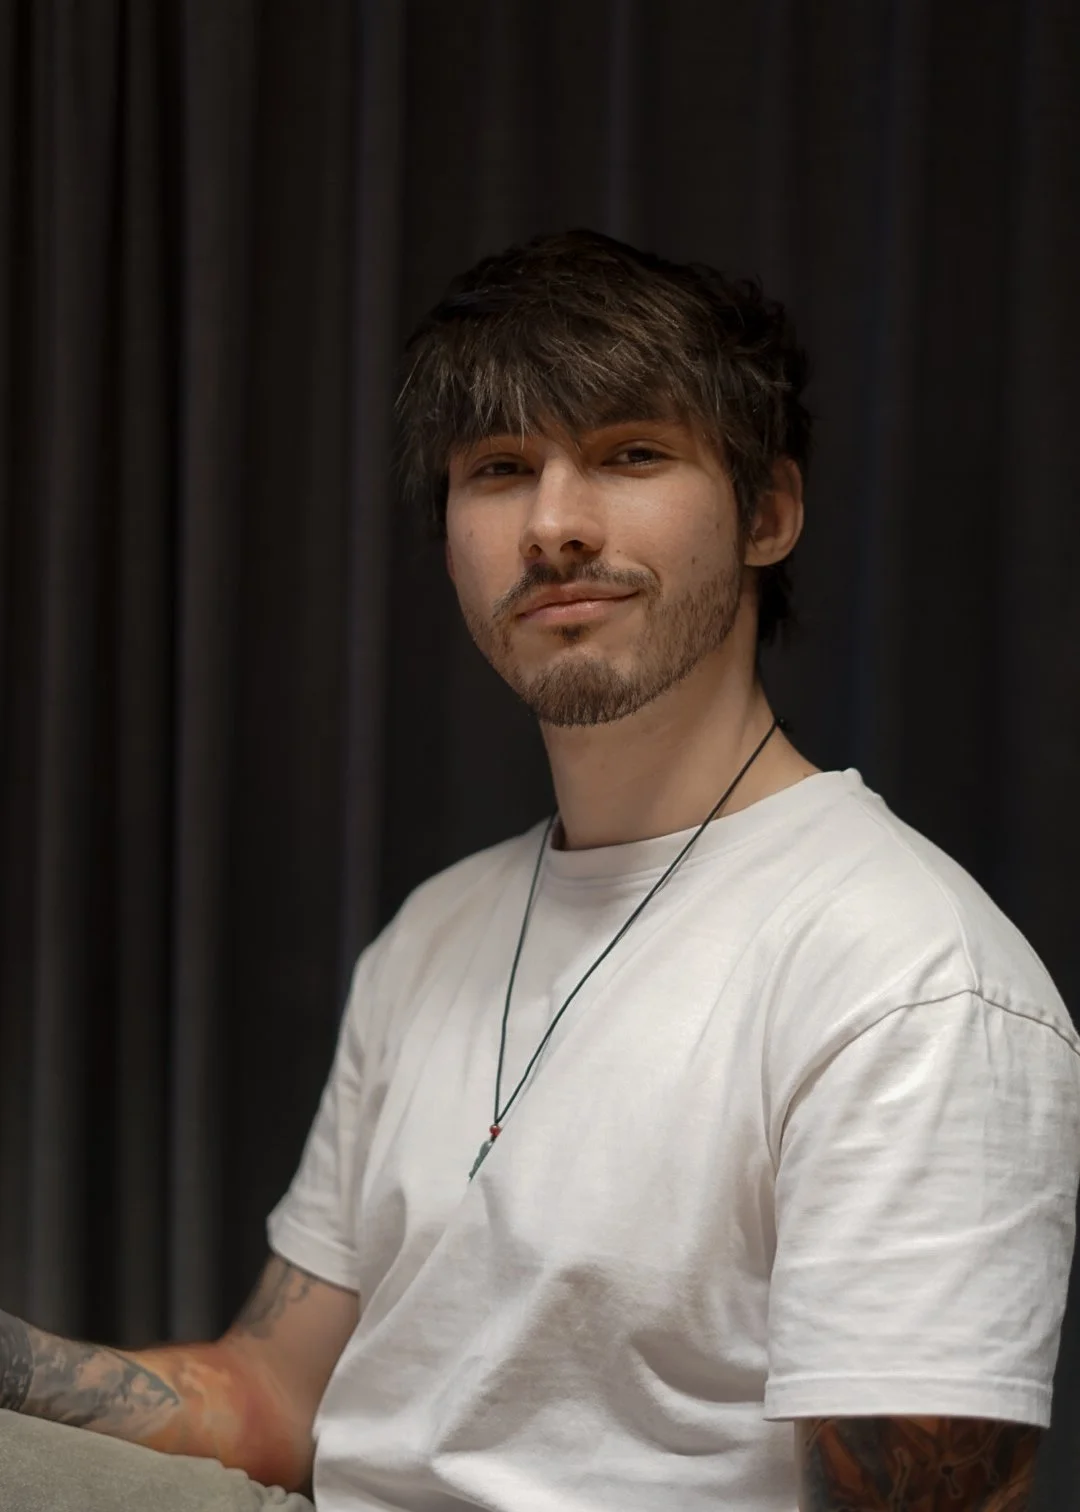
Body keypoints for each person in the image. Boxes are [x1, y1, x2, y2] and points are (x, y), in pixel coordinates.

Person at [1, 228, 1078, 1512]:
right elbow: (277, 1402)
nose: (556, 526)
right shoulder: (436, 931)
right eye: (501, 469)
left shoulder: (912, 977)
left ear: (769, 513)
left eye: (631, 454)